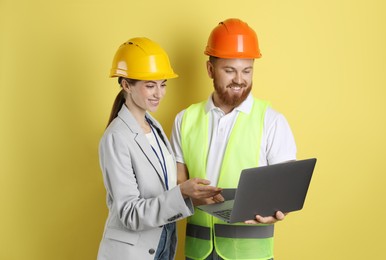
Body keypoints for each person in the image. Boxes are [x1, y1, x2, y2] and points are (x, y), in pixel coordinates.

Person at [170, 18, 297, 259]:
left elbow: (286, 190)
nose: (239, 79)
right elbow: (176, 183)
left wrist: (281, 210)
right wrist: (187, 193)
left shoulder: (272, 121)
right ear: (210, 69)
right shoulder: (184, 119)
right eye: (229, 70)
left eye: (246, 70)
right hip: (198, 253)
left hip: (251, 254)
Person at [97, 37, 221, 260]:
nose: (159, 93)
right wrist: (182, 192)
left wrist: (194, 198)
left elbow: (163, 193)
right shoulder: (116, 137)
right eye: (150, 85)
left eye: (163, 84)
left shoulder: (154, 127)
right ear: (126, 85)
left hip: (161, 244)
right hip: (132, 253)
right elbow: (129, 214)